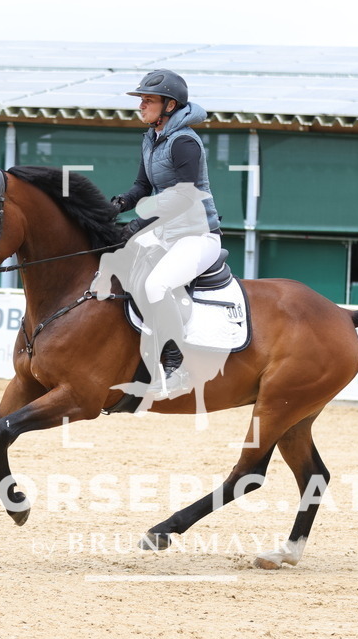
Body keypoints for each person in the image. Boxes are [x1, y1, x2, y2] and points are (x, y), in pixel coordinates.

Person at [110, 69, 222, 399]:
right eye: (141, 100)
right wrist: (117, 205)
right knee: (116, 263)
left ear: (169, 105)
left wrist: (138, 225)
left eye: (148, 100)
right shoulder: (151, 138)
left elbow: (185, 196)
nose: (141, 106)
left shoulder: (184, 142)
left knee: (156, 284)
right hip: (165, 233)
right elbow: (142, 187)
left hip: (197, 235)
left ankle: (176, 364)